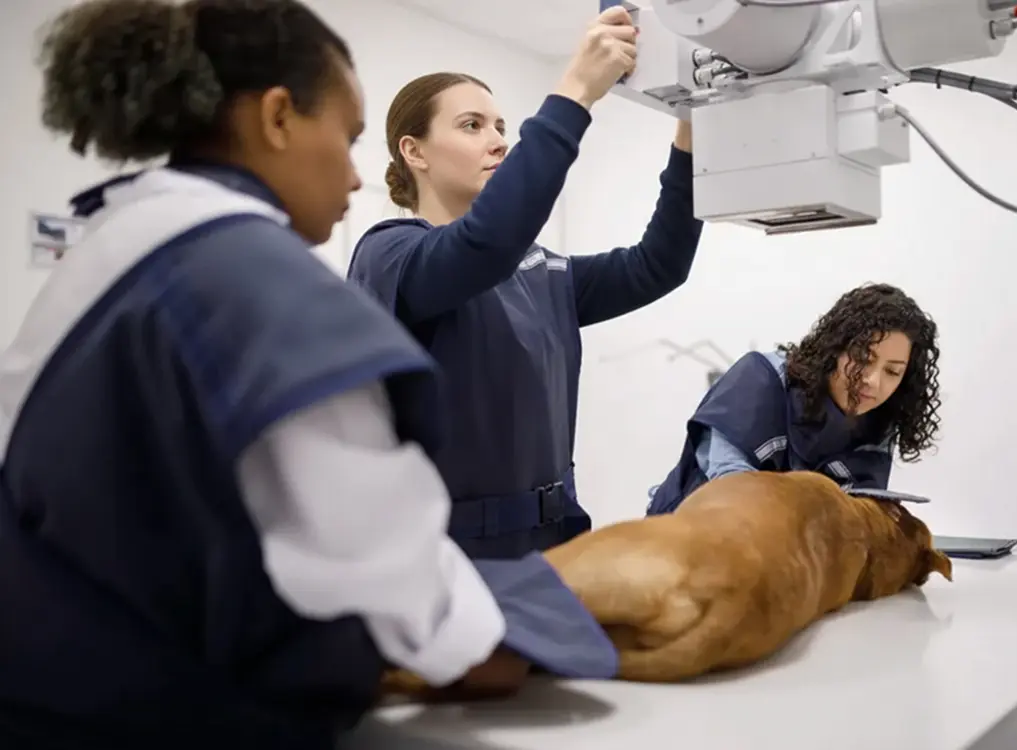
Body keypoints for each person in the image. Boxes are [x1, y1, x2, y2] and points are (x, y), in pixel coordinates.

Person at [0, 1, 614, 747]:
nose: (359, 177)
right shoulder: (254, 279)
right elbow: (414, 602)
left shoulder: (117, 245)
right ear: (279, 118)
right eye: (351, 138)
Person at [347, 6, 705, 560]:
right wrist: (575, 93)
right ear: (413, 151)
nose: (496, 141)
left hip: (556, 545)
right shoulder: (390, 254)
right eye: (472, 126)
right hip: (451, 561)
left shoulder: (539, 272)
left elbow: (658, 264)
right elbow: (482, 246)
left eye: (500, 129)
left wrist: (692, 125)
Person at [646, 283, 942, 515]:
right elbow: (732, 488)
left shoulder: (878, 419)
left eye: (893, 371)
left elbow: (862, 513)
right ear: (836, 347)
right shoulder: (760, 379)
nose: (874, 381)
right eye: (863, 358)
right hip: (682, 540)